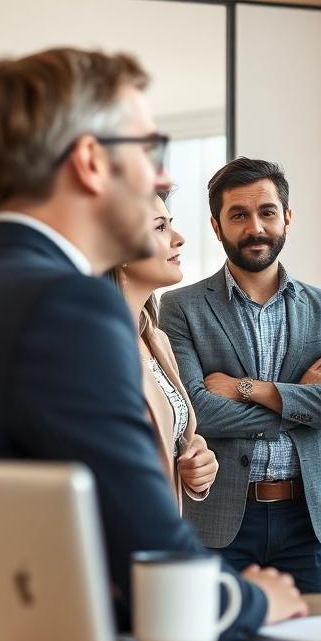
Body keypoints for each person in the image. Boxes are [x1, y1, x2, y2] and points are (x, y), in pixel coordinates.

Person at [0, 48, 306, 641]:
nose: (162, 177)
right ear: (90, 161)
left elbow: (78, 556)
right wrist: (255, 600)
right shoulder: (67, 306)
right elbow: (156, 575)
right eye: (149, 151)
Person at [160, 157, 321, 594]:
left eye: (267, 212)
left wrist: (252, 390)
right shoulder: (180, 307)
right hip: (222, 517)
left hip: (305, 519)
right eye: (238, 215)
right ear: (216, 225)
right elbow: (197, 412)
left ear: (286, 217)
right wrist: (301, 399)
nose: (255, 227)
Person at [108, 193, 219, 510]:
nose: (179, 239)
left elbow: (169, 440)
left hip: (165, 532)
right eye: (160, 227)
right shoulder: (94, 350)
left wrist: (197, 459)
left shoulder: (156, 340)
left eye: (172, 224)